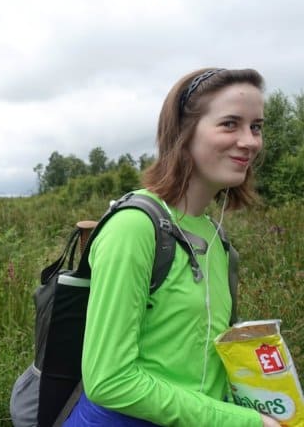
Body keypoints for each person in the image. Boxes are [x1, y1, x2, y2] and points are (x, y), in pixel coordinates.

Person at [63, 68, 280, 426]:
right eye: (230, 124)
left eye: (256, 127)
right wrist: (242, 422)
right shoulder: (134, 227)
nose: (250, 141)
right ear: (183, 132)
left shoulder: (215, 236)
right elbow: (109, 381)